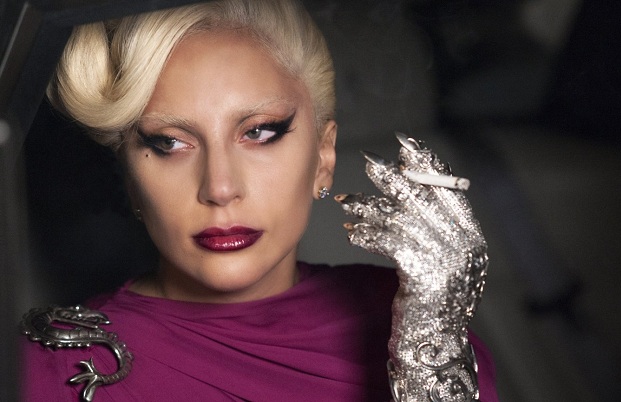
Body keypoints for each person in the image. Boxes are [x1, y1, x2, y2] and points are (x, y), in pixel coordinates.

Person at [20, 0, 498, 401]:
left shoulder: (413, 318)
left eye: (260, 133)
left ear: (323, 157)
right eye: (171, 143)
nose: (220, 188)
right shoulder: (55, 368)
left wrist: (429, 352)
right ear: (129, 176)